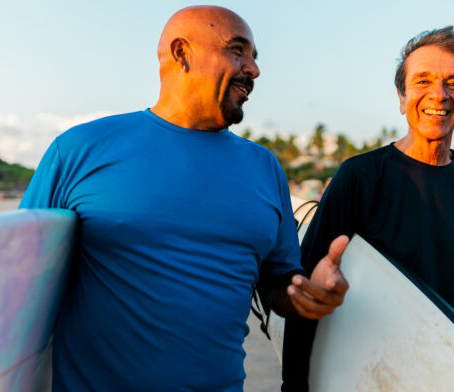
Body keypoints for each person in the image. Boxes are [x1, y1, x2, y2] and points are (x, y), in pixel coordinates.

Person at [19, 6, 349, 391]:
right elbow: (18, 278)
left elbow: (276, 283)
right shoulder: (80, 150)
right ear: (182, 53)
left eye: (255, 57)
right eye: (238, 50)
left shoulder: (264, 167)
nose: (254, 70)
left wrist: (306, 293)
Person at [282, 26, 454, 391]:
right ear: (402, 97)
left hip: (446, 372)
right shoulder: (358, 177)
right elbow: (306, 304)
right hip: (367, 376)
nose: (439, 94)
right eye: (422, 81)